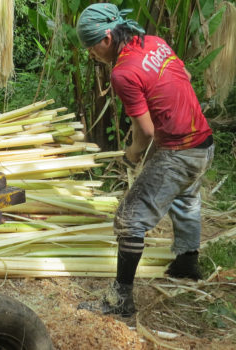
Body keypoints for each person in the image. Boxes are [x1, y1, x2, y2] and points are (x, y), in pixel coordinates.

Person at [76, 3, 214, 317]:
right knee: (186, 196)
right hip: (204, 143)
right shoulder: (154, 41)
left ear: (107, 38)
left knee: (129, 220)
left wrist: (133, 152)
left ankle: (119, 302)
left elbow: (147, 132)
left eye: (92, 48)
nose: (92, 55)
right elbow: (187, 75)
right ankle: (186, 263)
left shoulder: (122, 72)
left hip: (179, 153)